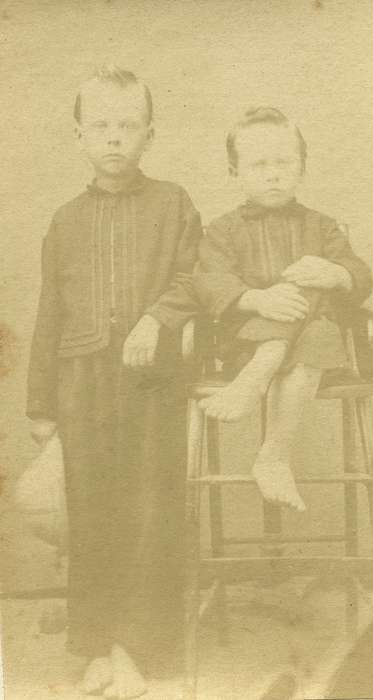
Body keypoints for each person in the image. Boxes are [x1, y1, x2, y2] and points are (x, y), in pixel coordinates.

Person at [26, 65, 202, 698]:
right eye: (100, 126)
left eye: (128, 126)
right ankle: (97, 645)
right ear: (78, 135)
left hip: (151, 382)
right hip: (81, 382)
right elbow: (50, 311)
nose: (114, 138)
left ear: (150, 135)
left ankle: (139, 649)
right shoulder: (66, 219)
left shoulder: (172, 202)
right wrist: (40, 404)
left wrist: (156, 318)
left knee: (151, 513)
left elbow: (195, 278)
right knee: (93, 513)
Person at [194, 107, 372, 512]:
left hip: (314, 355)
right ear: (234, 172)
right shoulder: (223, 231)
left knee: (318, 297)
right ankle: (270, 429)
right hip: (243, 352)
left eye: (283, 162)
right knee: (310, 307)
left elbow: (359, 274)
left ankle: (273, 453)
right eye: (258, 164)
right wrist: (257, 299)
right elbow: (210, 282)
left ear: (302, 167)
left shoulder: (322, 227)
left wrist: (335, 273)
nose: (273, 174)